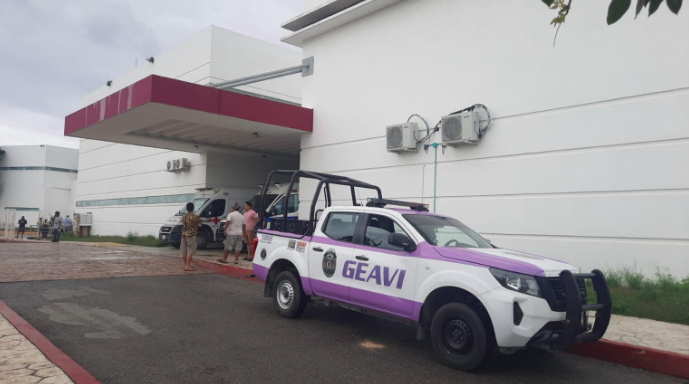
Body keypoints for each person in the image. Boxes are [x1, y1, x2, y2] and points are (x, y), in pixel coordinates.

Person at [181, 202, 202, 272]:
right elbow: (201, 223)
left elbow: (183, 223)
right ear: (193, 208)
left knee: (184, 251)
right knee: (190, 250)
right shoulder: (195, 216)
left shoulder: (183, 216)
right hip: (191, 234)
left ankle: (185, 265)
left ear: (186, 208)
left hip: (184, 234)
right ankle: (187, 266)